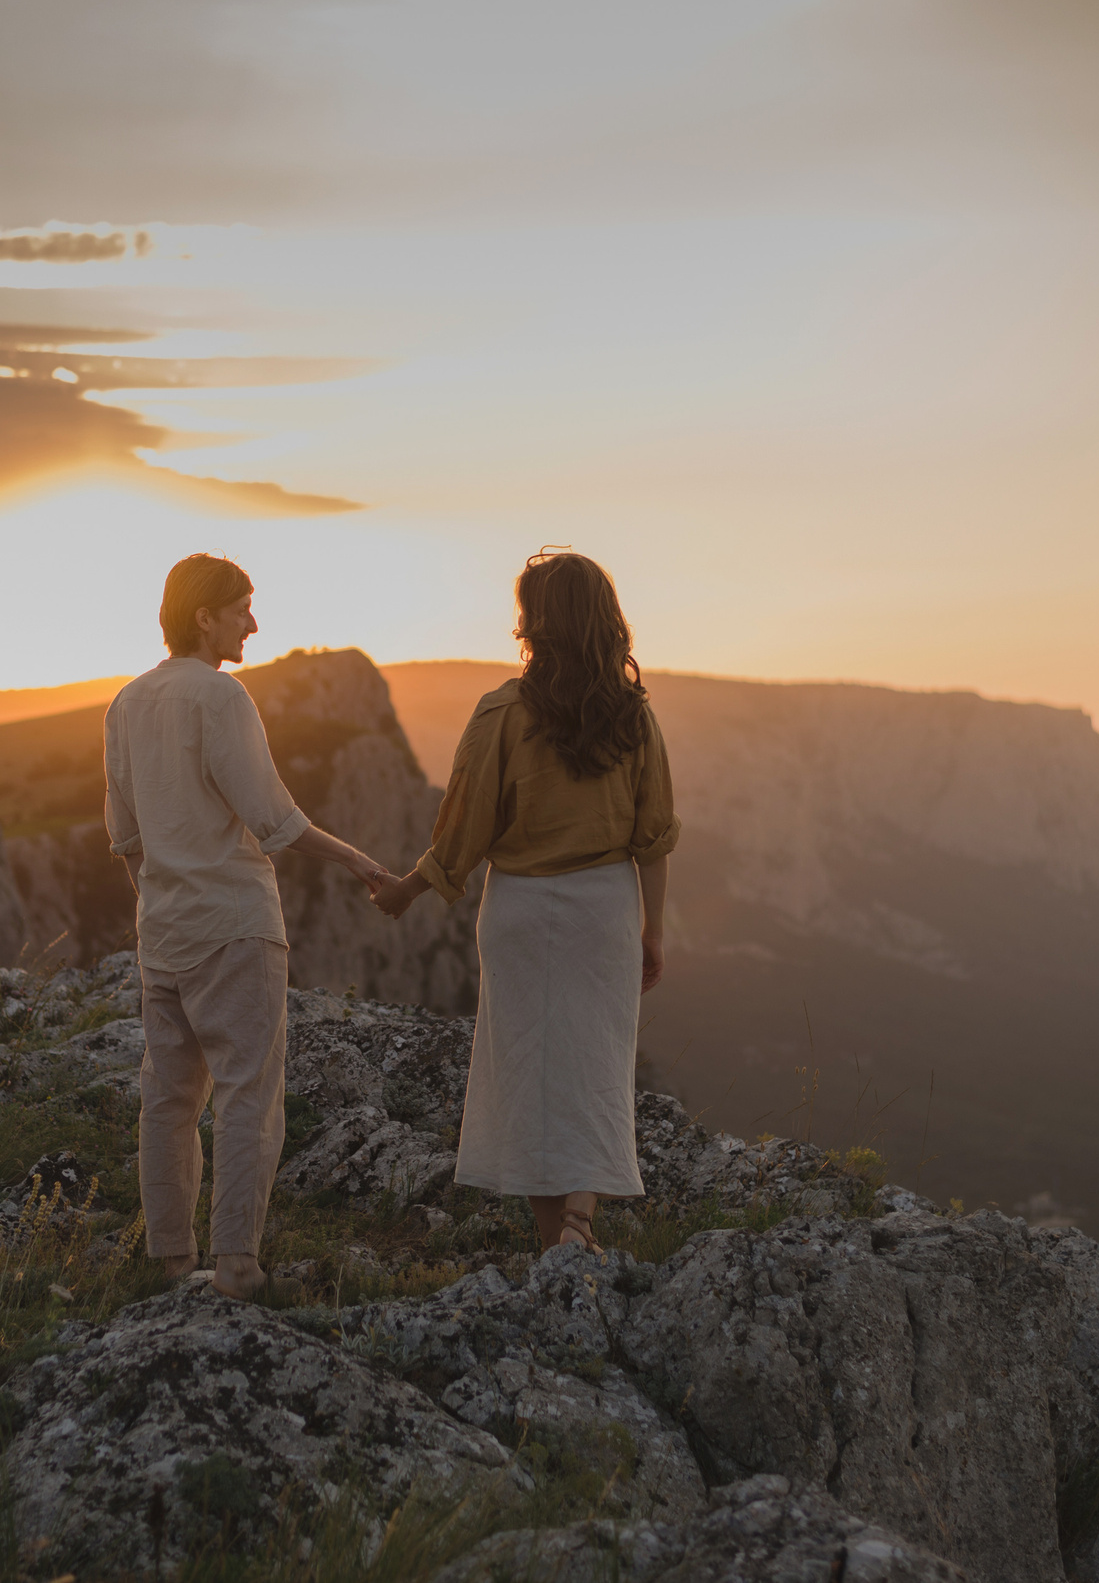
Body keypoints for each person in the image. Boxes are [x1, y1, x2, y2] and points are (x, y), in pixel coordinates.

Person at [105, 553, 394, 1301]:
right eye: (243, 608)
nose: (253, 623)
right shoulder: (222, 698)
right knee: (246, 1094)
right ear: (205, 615)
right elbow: (273, 817)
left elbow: (126, 838)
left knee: (168, 1098)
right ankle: (236, 1265)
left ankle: (170, 1260)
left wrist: (161, 902)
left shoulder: (126, 703)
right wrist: (360, 861)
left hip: (161, 933)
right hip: (236, 926)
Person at [372, 550, 677, 1253]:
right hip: (604, 907)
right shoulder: (634, 718)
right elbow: (652, 836)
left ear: (533, 624)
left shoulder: (501, 712)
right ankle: (580, 1220)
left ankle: (555, 1245)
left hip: (519, 908)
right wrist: (652, 929)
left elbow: (462, 829)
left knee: (534, 1073)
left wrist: (406, 891)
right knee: (598, 1062)